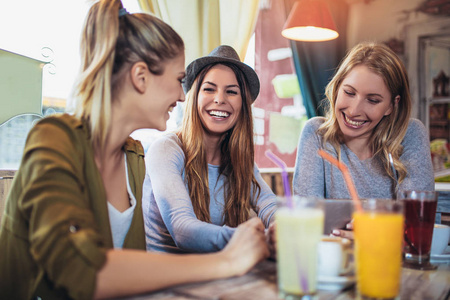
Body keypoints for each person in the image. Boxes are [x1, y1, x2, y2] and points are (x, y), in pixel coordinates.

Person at [0, 2, 269, 299]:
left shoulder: (133, 156)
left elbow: (131, 266)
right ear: (141, 77)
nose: (183, 96)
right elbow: (78, 270)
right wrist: (226, 261)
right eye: (180, 80)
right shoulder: (54, 139)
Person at [143, 45, 277, 254]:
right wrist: (251, 238)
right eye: (209, 89)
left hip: (218, 272)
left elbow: (269, 205)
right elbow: (182, 229)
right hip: (168, 279)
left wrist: (283, 226)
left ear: (243, 105)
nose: (219, 99)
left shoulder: (240, 160)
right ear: (194, 96)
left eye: (231, 92)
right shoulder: (166, 149)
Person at [292, 42, 434, 238]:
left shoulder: (410, 134)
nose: (354, 111)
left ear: (392, 105)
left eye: (373, 100)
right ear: (337, 88)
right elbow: (305, 222)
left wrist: (371, 236)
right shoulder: (316, 134)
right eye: (349, 93)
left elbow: (416, 222)